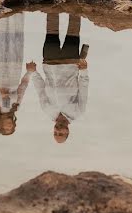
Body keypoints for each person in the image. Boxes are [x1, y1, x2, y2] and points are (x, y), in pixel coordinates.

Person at [32, 13, 89, 143]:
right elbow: (84, 87)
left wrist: (33, 72)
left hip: (49, 61)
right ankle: (76, 2)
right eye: (61, 134)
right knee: (73, 29)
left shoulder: (47, 111)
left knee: (51, 29)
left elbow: (40, 89)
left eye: (55, 133)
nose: (58, 130)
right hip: (70, 62)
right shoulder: (78, 112)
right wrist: (84, 70)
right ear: (67, 132)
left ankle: (53, 2)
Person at [0, 13, 36, 135]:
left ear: (0, 125)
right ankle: (14, 14)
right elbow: (23, 87)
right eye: (11, 128)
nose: (10, 125)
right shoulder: (16, 107)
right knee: (12, 44)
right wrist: (29, 72)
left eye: (6, 128)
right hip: (13, 73)